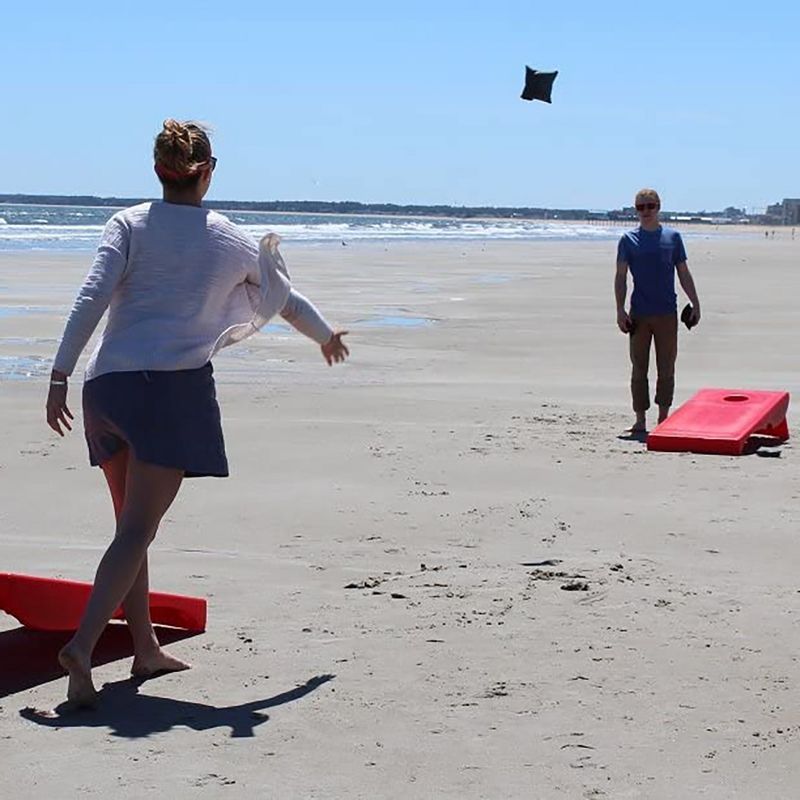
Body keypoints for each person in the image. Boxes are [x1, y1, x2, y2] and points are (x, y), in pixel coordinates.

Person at [45, 119, 349, 708]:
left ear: (158, 171)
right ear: (207, 172)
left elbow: (92, 297)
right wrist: (322, 335)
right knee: (137, 530)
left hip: (105, 388)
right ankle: (81, 648)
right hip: (167, 394)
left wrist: (58, 375)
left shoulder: (127, 224)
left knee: (130, 530)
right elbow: (284, 299)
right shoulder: (227, 237)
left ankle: (145, 647)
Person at [614, 188, 700, 432]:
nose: (645, 211)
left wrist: (695, 302)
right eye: (640, 207)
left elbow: (683, 273)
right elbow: (620, 277)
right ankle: (640, 420)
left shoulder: (673, 238)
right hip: (638, 314)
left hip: (667, 313)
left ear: (658, 207)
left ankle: (664, 418)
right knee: (639, 368)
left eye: (650, 206)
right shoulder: (627, 240)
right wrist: (620, 310)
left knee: (666, 367)